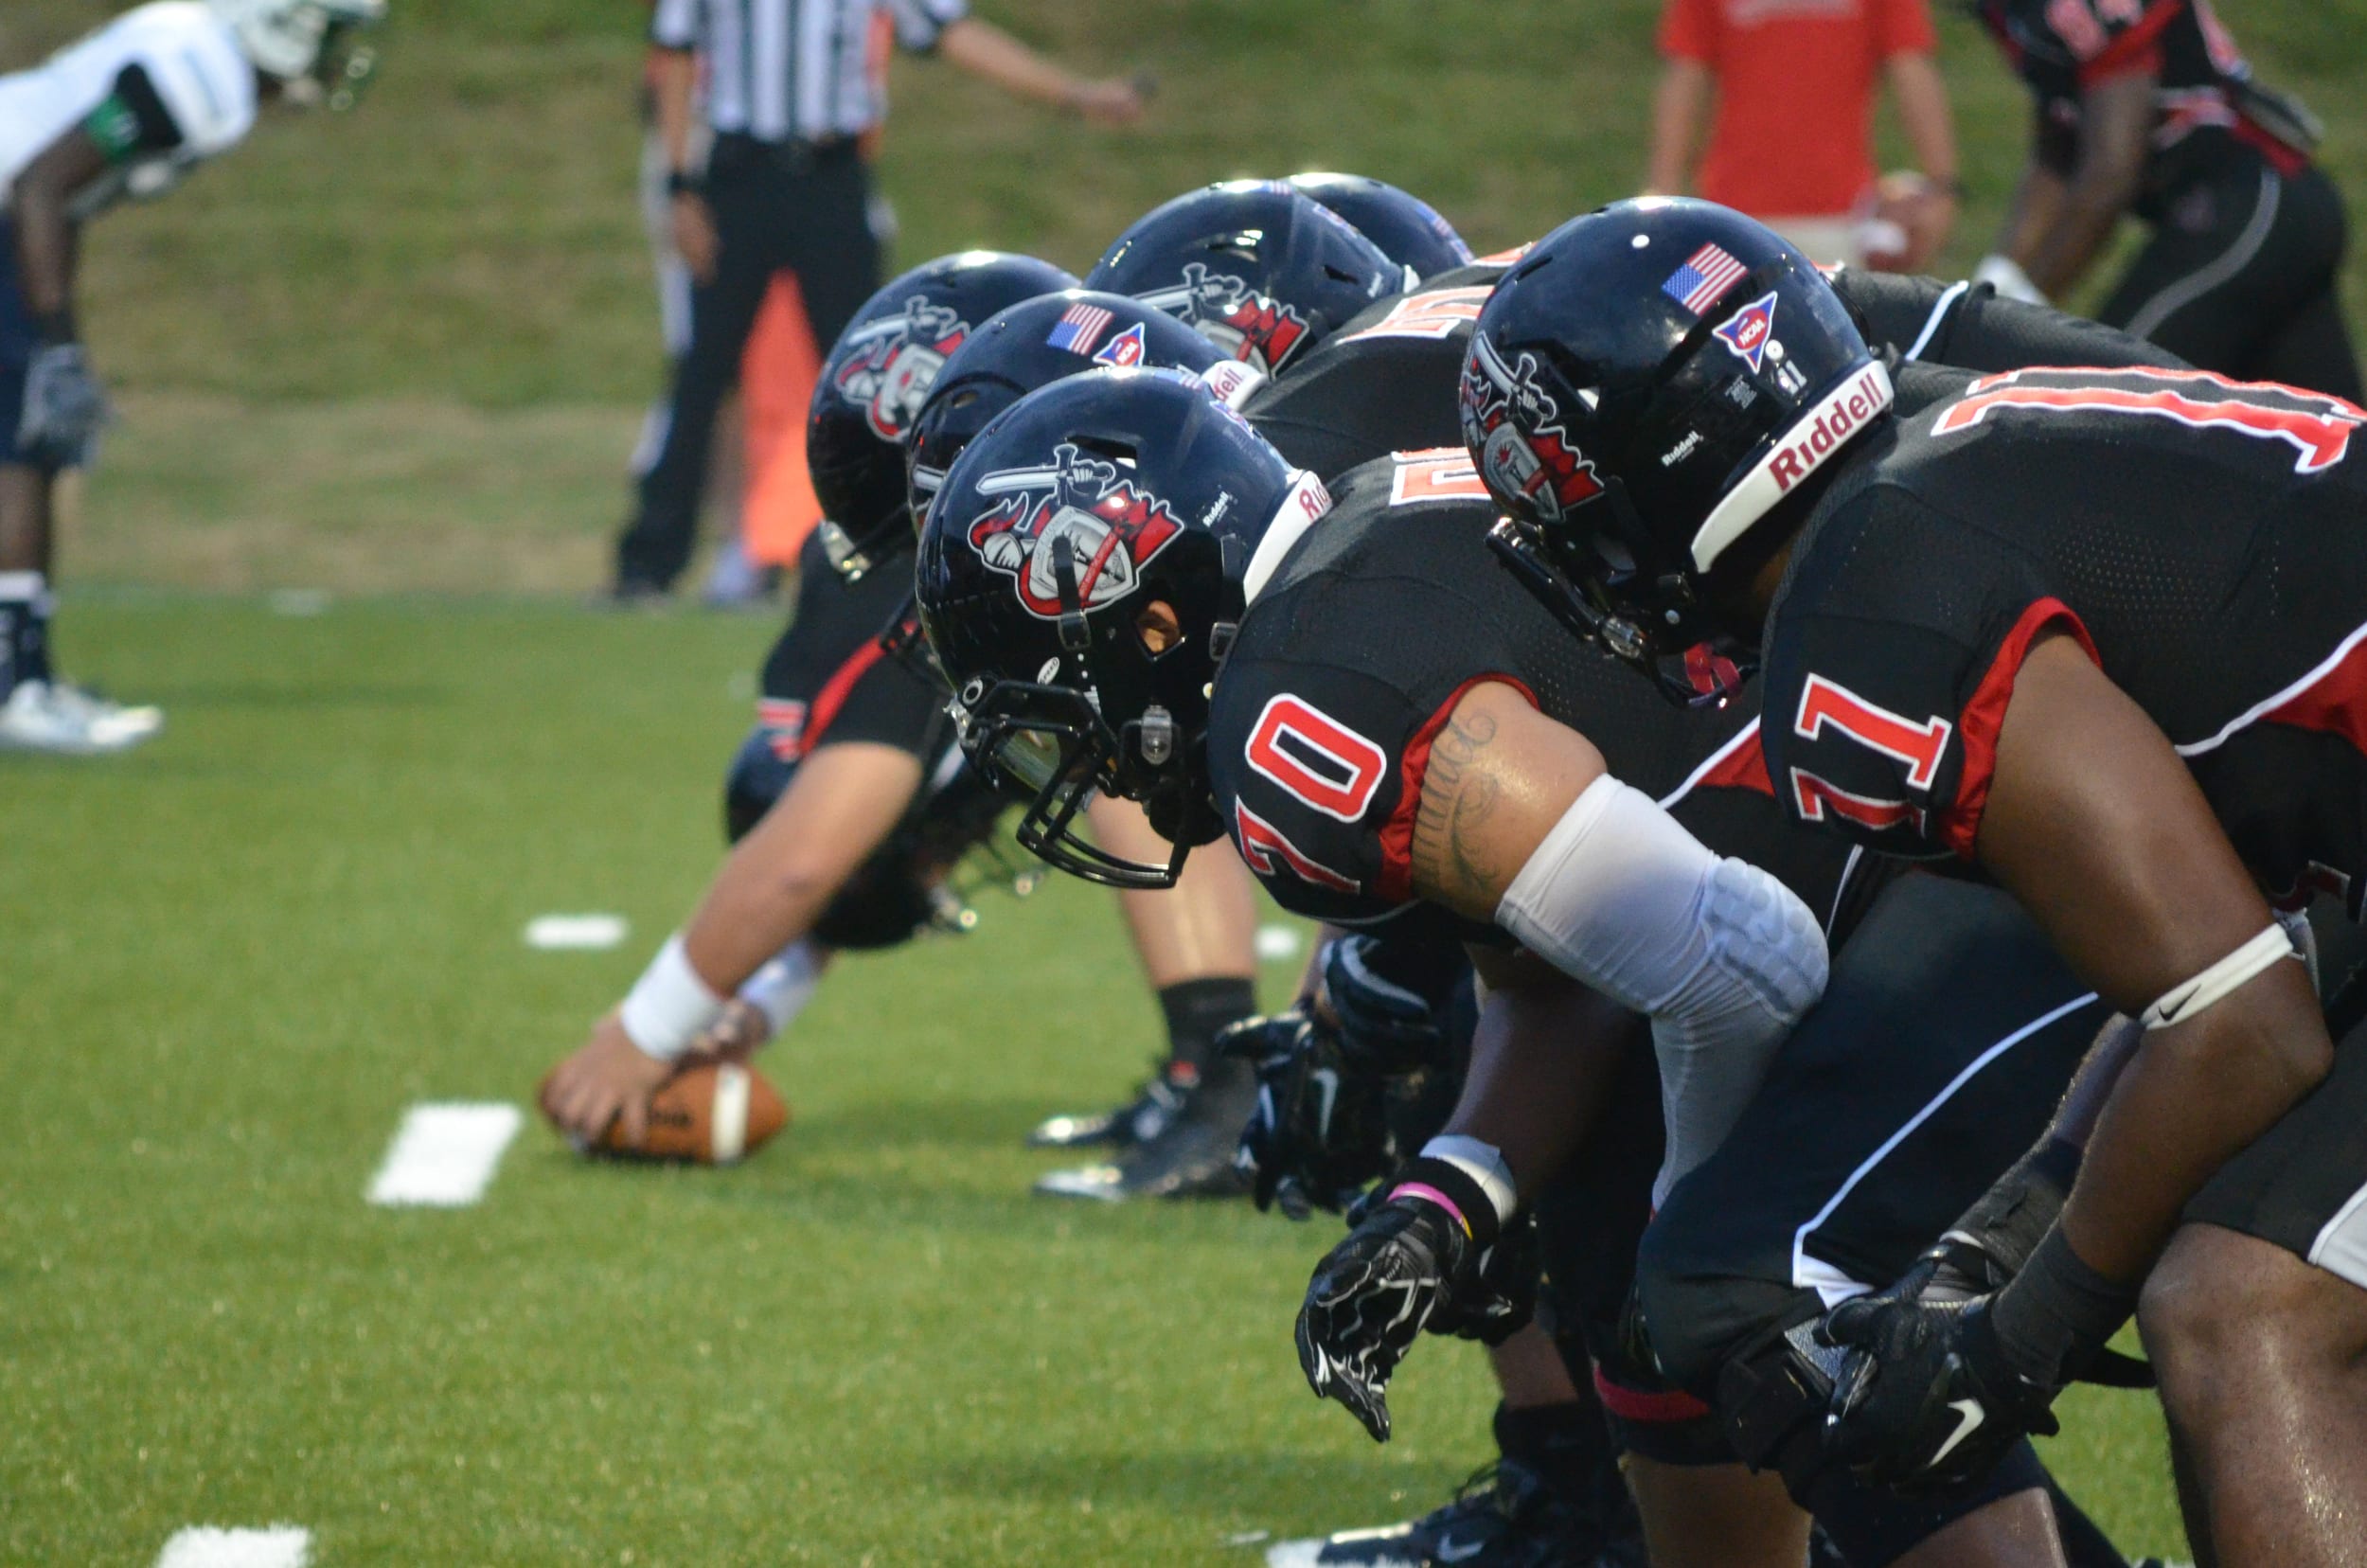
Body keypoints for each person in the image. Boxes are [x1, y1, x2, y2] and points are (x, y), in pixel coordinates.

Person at [914, 369, 2145, 1568]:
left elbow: (1737, 959)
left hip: (1990, 877)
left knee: (1739, 1309)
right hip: (1926, 859)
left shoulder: (1293, 721)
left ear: (1150, 620)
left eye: (1057, 711)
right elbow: (1560, 972)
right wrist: (1452, 1195)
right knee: (1637, 1284)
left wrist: (1694, 1219)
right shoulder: (1366, 534)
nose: (1093, 772)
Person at [1460, 195, 2367, 1566]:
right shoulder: (1944, 451)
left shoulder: (1871, 600)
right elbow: (2223, 945)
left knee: (2247, 1314)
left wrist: (2021, 1334)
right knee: (2244, 1287)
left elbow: (2241, 1020)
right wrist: (2024, 1217)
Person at [547, 258, 1272, 1203]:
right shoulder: (1148, 505)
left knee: (1127, 749)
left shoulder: (920, 559)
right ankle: (1222, 1080)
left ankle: (1256, 1092)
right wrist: (752, 1005)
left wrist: (643, 1031)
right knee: (1128, 740)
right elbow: (865, 850)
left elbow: (827, 835)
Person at [607, 0, 1148, 602]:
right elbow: (675, 55)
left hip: (832, 177)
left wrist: (1075, 95)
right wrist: (681, 184)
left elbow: (954, 30)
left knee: (872, 376)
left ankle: (902, 551)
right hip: (738, 175)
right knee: (703, 370)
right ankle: (648, 565)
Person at [0, 0, 383, 753]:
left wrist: (58, 338)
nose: (334, 51)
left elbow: (60, 199)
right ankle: (16, 685)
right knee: (23, 444)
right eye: (330, 28)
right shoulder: (197, 69)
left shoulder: (195, 55)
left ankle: (24, 676)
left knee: (33, 442)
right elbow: (40, 189)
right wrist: (58, 345)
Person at [1967, 0, 2358, 399]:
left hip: (2250, 208)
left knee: (2102, 402)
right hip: (2273, 211)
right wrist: (1996, 282)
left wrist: (2016, 309)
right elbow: (2060, 146)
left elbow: (2112, 173)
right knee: (2334, 444)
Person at [1646, 0, 1956, 270]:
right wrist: (1663, 191)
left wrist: (1942, 187)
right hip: (1730, 216)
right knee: (1692, 320)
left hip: (1841, 219)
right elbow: (1687, 74)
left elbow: (1910, 68)